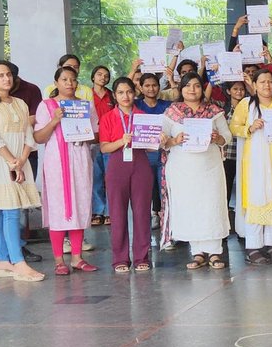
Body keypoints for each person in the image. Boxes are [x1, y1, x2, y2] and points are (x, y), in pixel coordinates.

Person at [0, 60, 44, 282]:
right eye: (1, 75)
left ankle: (3, 260)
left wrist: (21, 160)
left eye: (9, 75)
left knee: (9, 212)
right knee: (10, 210)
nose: (6, 79)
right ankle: (18, 262)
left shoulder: (20, 104)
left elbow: (28, 136)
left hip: (19, 162)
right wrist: (12, 162)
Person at [160, 72, 233, 269]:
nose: (192, 89)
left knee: (211, 206)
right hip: (182, 170)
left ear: (202, 89)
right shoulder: (171, 112)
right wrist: (175, 140)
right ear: (180, 89)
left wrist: (217, 138)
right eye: (188, 85)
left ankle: (215, 252)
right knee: (190, 208)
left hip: (209, 167)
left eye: (197, 85)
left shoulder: (214, 111)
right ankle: (197, 253)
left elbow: (227, 136)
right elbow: (161, 139)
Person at [34, 66, 99, 276]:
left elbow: (95, 136)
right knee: (58, 207)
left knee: (80, 205)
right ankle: (59, 260)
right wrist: (55, 120)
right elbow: (39, 138)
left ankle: (77, 258)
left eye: (73, 79)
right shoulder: (46, 106)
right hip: (56, 161)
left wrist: (84, 133)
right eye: (64, 79)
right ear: (56, 83)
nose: (69, 83)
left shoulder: (85, 106)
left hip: (79, 158)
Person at [230, 71, 272, 264]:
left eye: (270, 82)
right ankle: (253, 247)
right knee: (257, 200)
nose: (267, 85)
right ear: (255, 85)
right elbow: (234, 127)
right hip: (256, 161)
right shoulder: (246, 104)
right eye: (262, 82)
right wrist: (249, 127)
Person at [99, 77, 154, 274]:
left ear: (135, 93)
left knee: (141, 212)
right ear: (114, 95)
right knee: (117, 213)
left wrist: (157, 140)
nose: (125, 96)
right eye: (121, 92)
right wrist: (122, 141)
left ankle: (142, 257)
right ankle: (120, 258)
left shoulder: (143, 115)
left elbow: (151, 147)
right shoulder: (107, 117)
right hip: (117, 164)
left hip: (140, 163)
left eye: (129, 92)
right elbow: (104, 147)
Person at [134, 72, 170, 229]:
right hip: (143, 155)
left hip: (163, 153)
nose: (151, 88)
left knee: (164, 188)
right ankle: (150, 218)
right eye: (147, 85)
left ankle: (166, 220)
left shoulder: (167, 106)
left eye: (154, 85)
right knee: (146, 189)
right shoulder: (136, 105)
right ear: (140, 87)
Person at [89, 65, 113, 227]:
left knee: (110, 178)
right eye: (99, 74)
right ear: (92, 77)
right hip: (92, 140)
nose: (103, 78)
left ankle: (111, 211)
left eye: (106, 75)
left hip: (111, 141)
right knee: (96, 177)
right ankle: (98, 210)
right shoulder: (85, 94)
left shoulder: (112, 95)